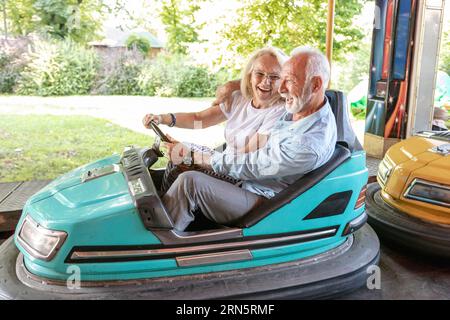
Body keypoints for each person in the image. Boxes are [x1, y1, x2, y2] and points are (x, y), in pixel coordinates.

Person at [162, 46, 337, 231]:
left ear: (316, 85)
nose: (282, 89)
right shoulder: (302, 104)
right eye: (282, 79)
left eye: (290, 81)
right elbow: (201, 119)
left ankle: (158, 248)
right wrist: (233, 85)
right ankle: (167, 217)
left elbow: (249, 165)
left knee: (190, 183)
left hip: (264, 203)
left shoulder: (308, 145)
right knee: (176, 166)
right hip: (246, 181)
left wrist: (194, 157)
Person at [142, 47, 288, 154]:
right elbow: (199, 120)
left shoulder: (280, 112)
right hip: (223, 160)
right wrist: (162, 119)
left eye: (274, 77)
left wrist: (192, 156)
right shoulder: (239, 98)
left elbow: (245, 155)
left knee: (183, 166)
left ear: (283, 80)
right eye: (260, 73)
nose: (265, 82)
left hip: (237, 172)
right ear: (250, 75)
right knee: (175, 158)